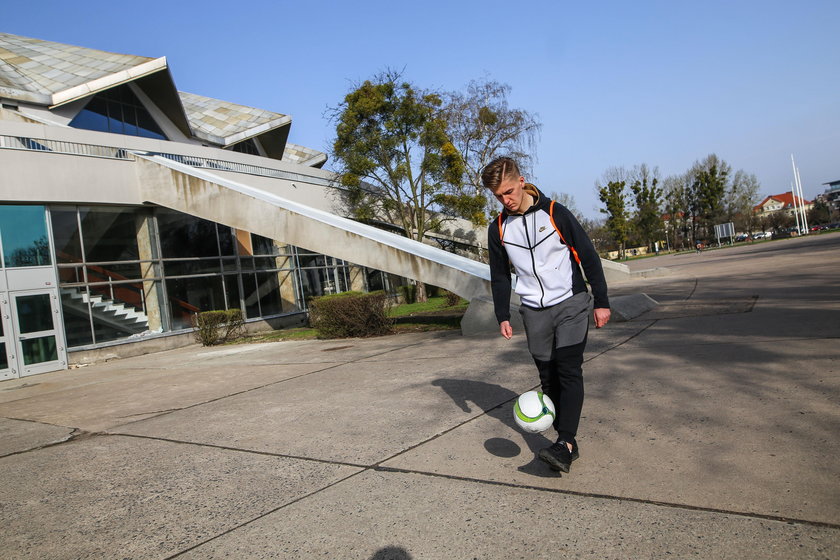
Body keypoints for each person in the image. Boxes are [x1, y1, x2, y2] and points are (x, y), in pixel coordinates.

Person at [482, 156, 611, 474]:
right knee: (548, 377)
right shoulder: (499, 228)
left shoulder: (555, 213)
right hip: (533, 310)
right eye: (499, 196)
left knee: (569, 369)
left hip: (571, 302)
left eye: (509, 191)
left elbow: (587, 255)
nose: (506, 200)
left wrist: (602, 301)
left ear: (522, 180)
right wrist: (503, 314)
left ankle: (565, 443)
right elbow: (499, 275)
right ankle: (566, 441)